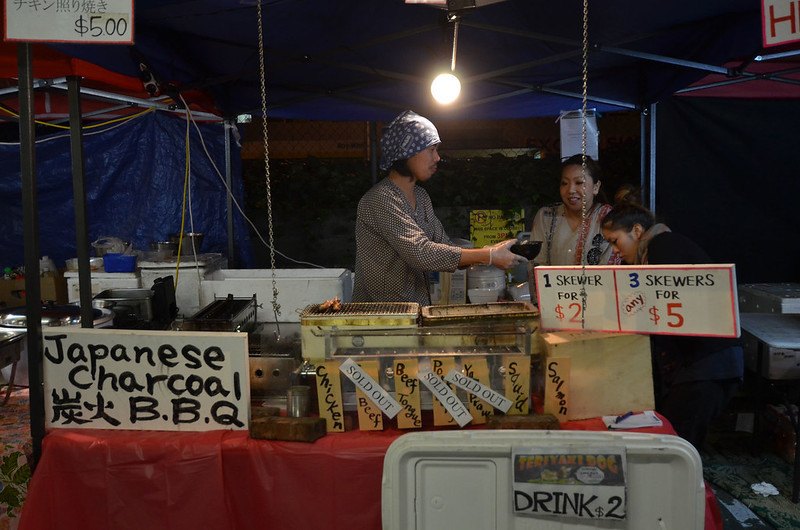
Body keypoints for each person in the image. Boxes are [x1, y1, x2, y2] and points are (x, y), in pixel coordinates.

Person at [601, 196, 744, 450]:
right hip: (705, 367)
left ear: (636, 231)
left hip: (706, 367)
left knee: (674, 449)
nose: (614, 250)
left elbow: (663, 314)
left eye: (615, 241)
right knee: (676, 446)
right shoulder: (655, 253)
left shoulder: (664, 247)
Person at [352, 110, 521, 306]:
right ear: (408, 151)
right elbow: (420, 253)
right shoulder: (380, 199)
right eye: (432, 149)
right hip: (380, 318)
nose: (438, 158)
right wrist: (489, 256)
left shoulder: (421, 197)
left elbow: (445, 247)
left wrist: (490, 250)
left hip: (415, 311)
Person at [530, 154, 620, 266]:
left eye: (579, 182)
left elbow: (609, 271)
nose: (571, 190)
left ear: (596, 187)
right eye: (564, 183)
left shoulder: (609, 218)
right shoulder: (546, 216)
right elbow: (537, 263)